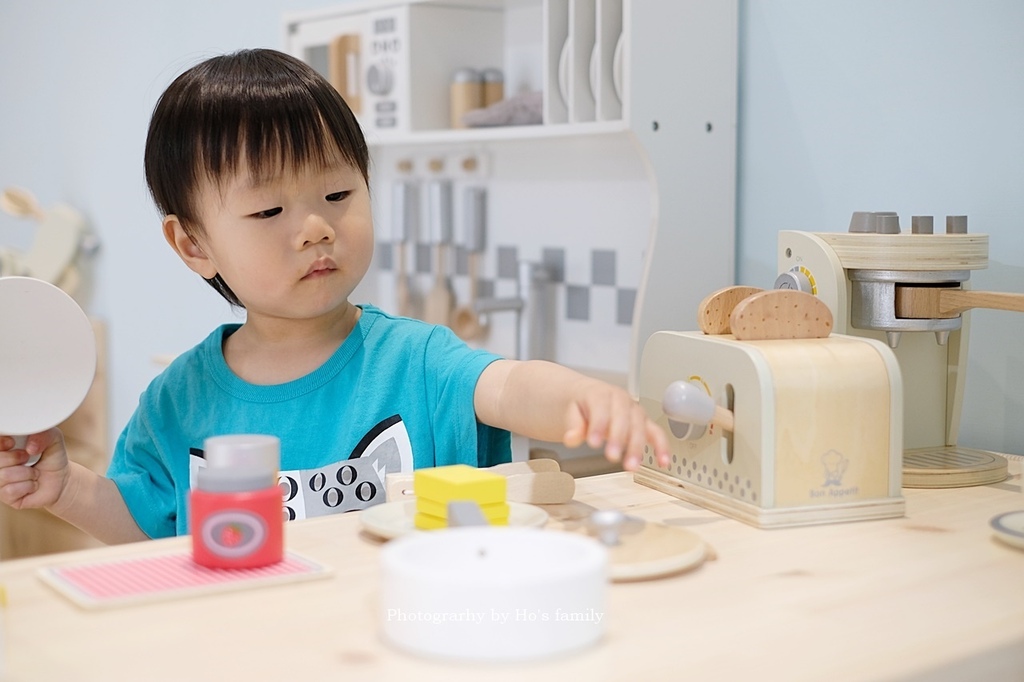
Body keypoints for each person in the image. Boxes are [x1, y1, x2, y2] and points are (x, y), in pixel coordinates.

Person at [0, 49, 670, 544]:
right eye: (268, 211)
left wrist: (586, 401)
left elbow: (510, 387)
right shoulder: (177, 403)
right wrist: (70, 490)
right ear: (193, 245)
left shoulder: (415, 359)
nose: (316, 227)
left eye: (338, 194)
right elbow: (148, 527)